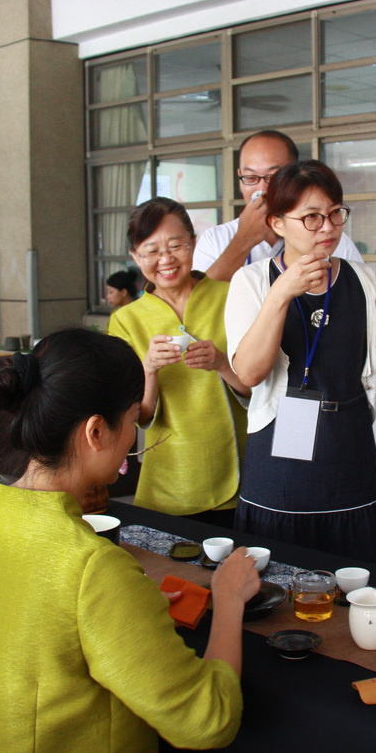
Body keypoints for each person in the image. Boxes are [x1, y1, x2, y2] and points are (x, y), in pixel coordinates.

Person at [0, 328, 259, 753]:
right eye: (129, 422)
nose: (131, 440)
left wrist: (134, 605)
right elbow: (205, 721)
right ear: (96, 431)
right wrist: (229, 600)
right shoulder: (91, 567)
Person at [225, 160, 376, 566]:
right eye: (311, 217)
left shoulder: (364, 278)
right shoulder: (251, 282)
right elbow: (249, 373)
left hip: (348, 447)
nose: (327, 227)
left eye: (334, 214)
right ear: (277, 223)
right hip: (278, 456)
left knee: (359, 582)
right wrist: (281, 294)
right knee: (280, 578)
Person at [107, 198, 249, 524]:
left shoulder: (232, 296)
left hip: (242, 472)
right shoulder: (126, 320)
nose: (166, 259)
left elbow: (263, 390)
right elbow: (139, 417)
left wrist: (222, 364)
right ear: (134, 256)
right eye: (151, 251)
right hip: (171, 477)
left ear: (194, 244)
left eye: (176, 246)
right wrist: (150, 369)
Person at [192, 130, 363, 280]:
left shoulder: (328, 237)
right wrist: (243, 240)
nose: (262, 190)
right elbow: (198, 303)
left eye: (273, 177)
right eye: (251, 178)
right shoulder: (216, 238)